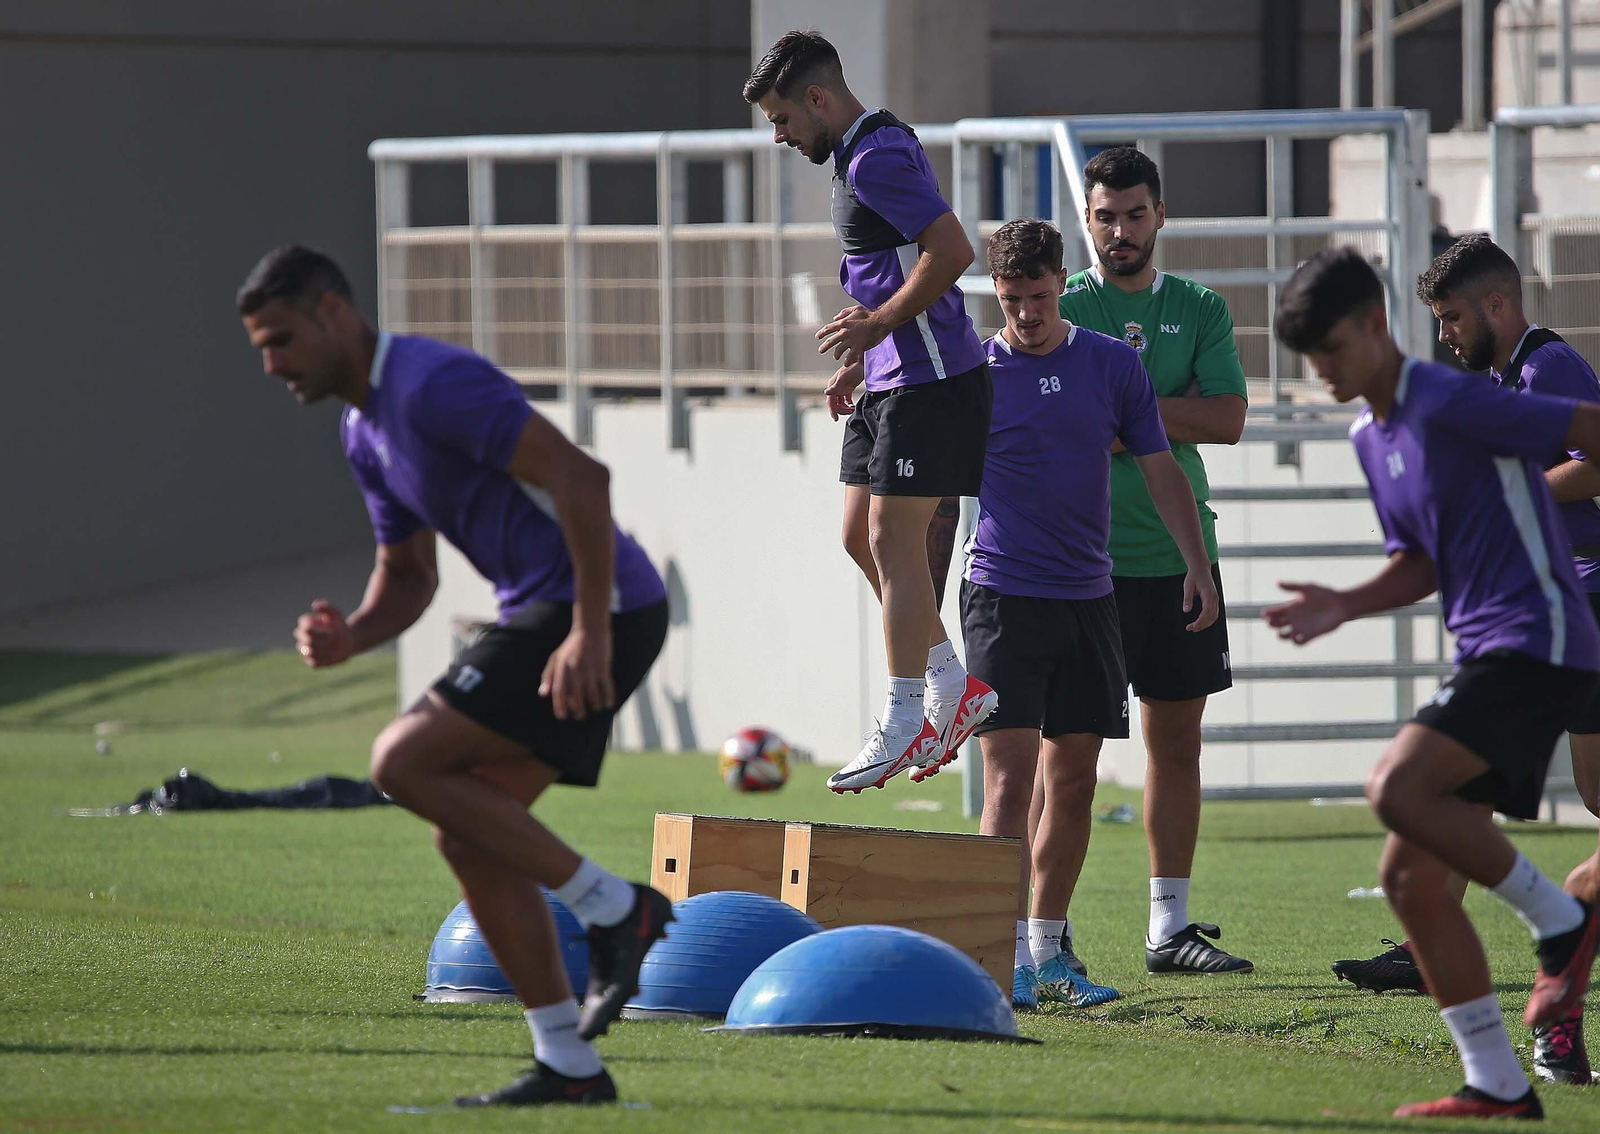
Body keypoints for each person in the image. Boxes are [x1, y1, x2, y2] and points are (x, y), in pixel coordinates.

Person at [237, 245, 673, 1108]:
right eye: (259, 348)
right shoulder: (362, 431)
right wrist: (349, 637)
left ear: (334, 312)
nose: (271, 365)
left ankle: (616, 908)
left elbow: (584, 479)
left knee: (401, 762)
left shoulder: (431, 383)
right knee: (469, 831)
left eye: (281, 340)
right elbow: (408, 575)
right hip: (549, 616)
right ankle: (569, 1066)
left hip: (598, 609)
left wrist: (588, 628)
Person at [1267, 246, 1600, 1120]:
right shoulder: (1369, 439)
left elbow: (1590, 439)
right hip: (1486, 651)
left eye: (1332, 349)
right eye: (1310, 360)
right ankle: (1497, 1081)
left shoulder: (1455, 397)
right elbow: (1419, 562)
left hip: (1543, 638)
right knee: (1412, 883)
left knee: (1394, 787)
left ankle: (1559, 922)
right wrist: (1345, 603)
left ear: (1376, 326)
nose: (1324, 373)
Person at [966, 220, 1218, 1011]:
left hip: (1089, 598)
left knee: (1072, 781)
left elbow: (1161, 468)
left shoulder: (1112, 365)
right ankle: (996, 958)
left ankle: (1048, 955)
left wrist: (1197, 565)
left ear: (1061, 282)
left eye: (1038, 297)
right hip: (1003, 597)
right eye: (1011, 301)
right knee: (1008, 783)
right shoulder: (976, 370)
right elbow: (933, 497)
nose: (1027, 315)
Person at [743, 30, 997, 793]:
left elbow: (952, 250)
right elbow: (895, 267)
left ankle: (902, 715)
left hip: (932, 379)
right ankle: (952, 685)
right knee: (859, 536)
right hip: (890, 374)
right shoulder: (863, 150)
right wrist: (867, 354)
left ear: (817, 98)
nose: (781, 137)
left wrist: (879, 326)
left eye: (784, 120)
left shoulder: (875, 154)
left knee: (893, 539)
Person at [1056, 146, 1252, 975]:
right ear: (1087, 219)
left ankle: (1167, 931)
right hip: (1079, 565)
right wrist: (1167, 412)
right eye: (1105, 216)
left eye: (1136, 214)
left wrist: (1128, 408)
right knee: (1069, 757)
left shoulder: (1200, 307)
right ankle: (1043, 933)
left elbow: (1231, 418)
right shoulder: (1058, 307)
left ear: (1160, 214)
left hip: (1178, 558)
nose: (1121, 230)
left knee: (1176, 746)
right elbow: (1062, 421)